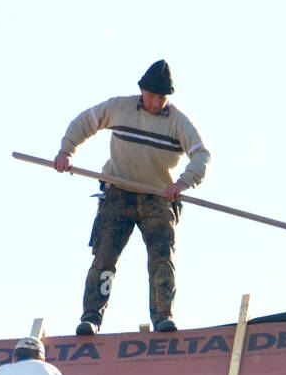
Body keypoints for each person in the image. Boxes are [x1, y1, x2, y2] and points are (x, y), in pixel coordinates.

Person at [53, 59, 211, 335]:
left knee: (162, 257)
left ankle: (163, 317)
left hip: (157, 198)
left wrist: (184, 182)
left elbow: (202, 154)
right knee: (104, 257)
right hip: (118, 193)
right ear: (141, 90)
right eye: (151, 95)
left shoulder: (179, 123)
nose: (155, 101)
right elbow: (85, 121)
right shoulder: (119, 107)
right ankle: (91, 317)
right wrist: (67, 151)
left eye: (161, 97)